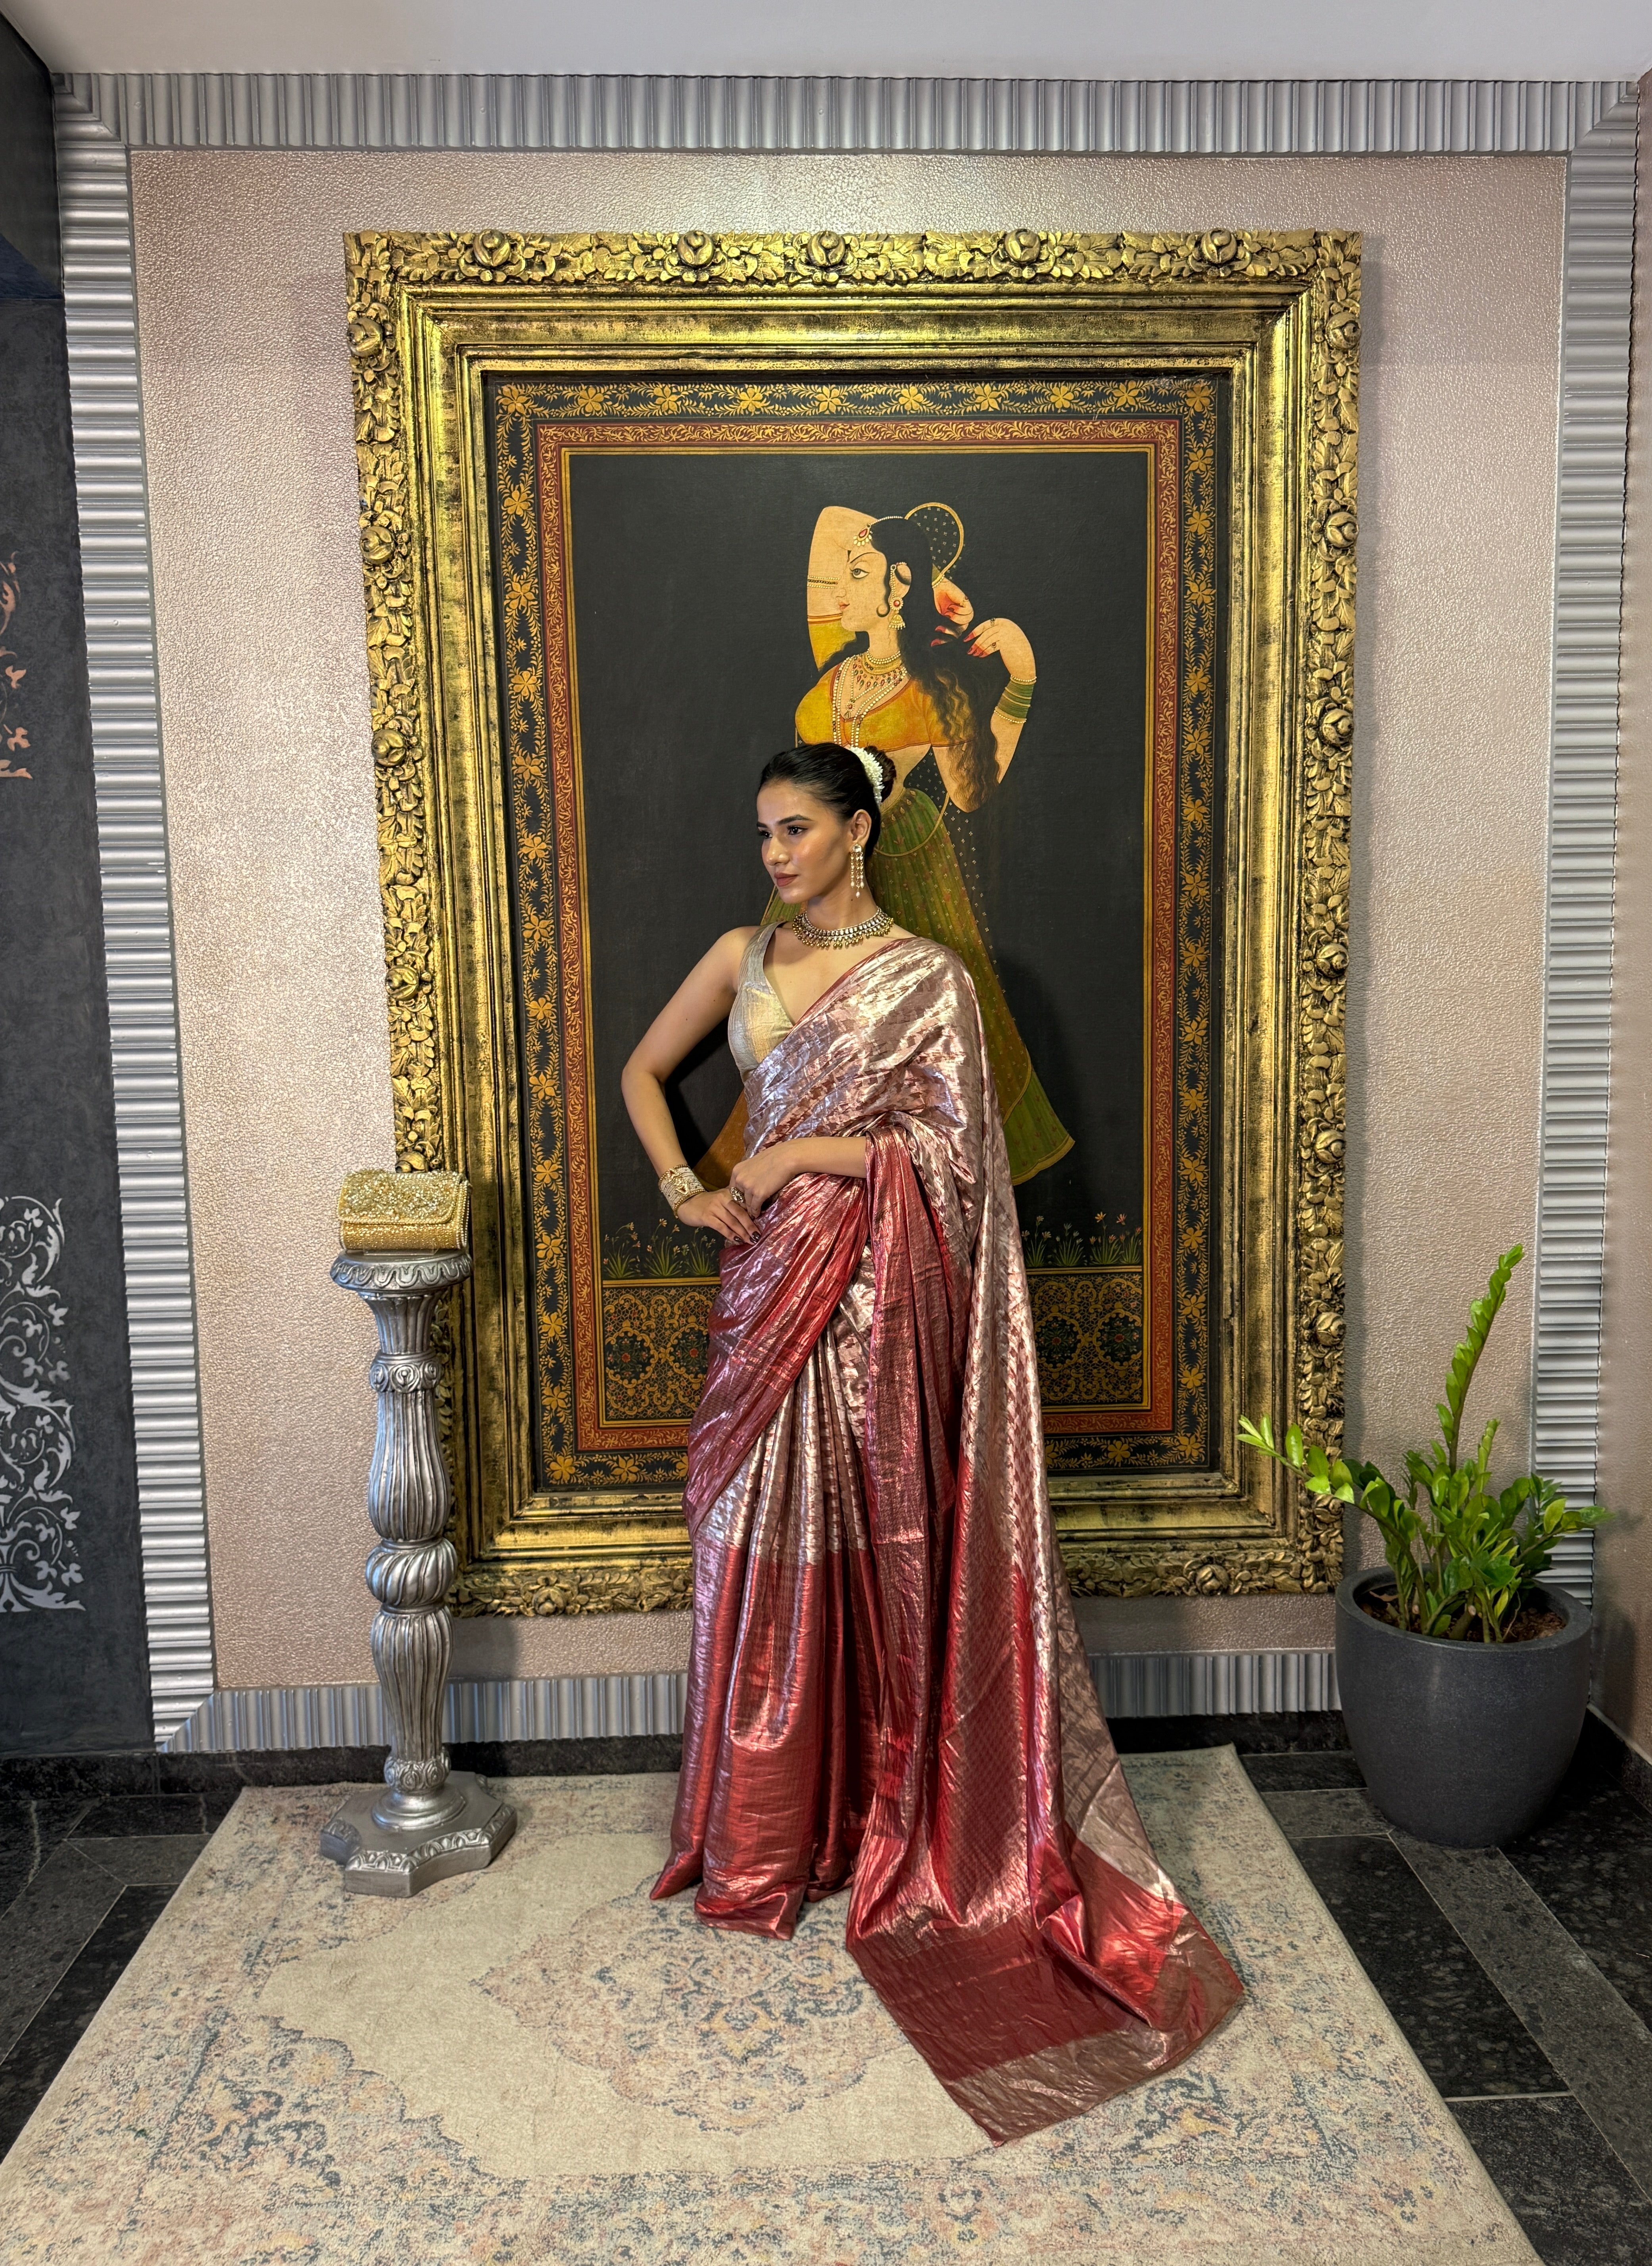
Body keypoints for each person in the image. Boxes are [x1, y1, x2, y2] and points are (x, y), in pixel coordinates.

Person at [620, 741, 1241, 2144]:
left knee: (877, 1556)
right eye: (762, 831)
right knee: (756, 1554)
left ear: (860, 829)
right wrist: (687, 1182)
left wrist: (792, 1159)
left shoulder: (929, 983)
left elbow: (953, 1160)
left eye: (795, 829)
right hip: (765, 1288)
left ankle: (876, 1819)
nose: (773, 853)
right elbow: (641, 1072)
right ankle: (766, 1836)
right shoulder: (742, 953)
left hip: (879, 1310)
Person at [795, 505, 1072, 1187]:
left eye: (858, 575)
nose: (840, 593)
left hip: (909, 863)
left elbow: (974, 792)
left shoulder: (935, 688)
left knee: (922, 1040)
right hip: (828, 873)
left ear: (901, 584)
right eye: (839, 577)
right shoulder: (824, 690)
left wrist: (1022, 682)